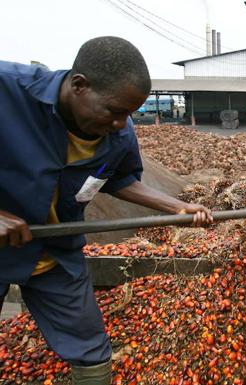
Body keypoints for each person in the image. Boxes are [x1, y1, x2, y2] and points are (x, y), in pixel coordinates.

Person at [0, 36, 212, 384]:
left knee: (91, 349)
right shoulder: (8, 91)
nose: (121, 124)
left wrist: (179, 206)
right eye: (115, 112)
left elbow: (119, 180)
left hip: (53, 253)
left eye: (128, 114)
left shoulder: (120, 133)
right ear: (79, 85)